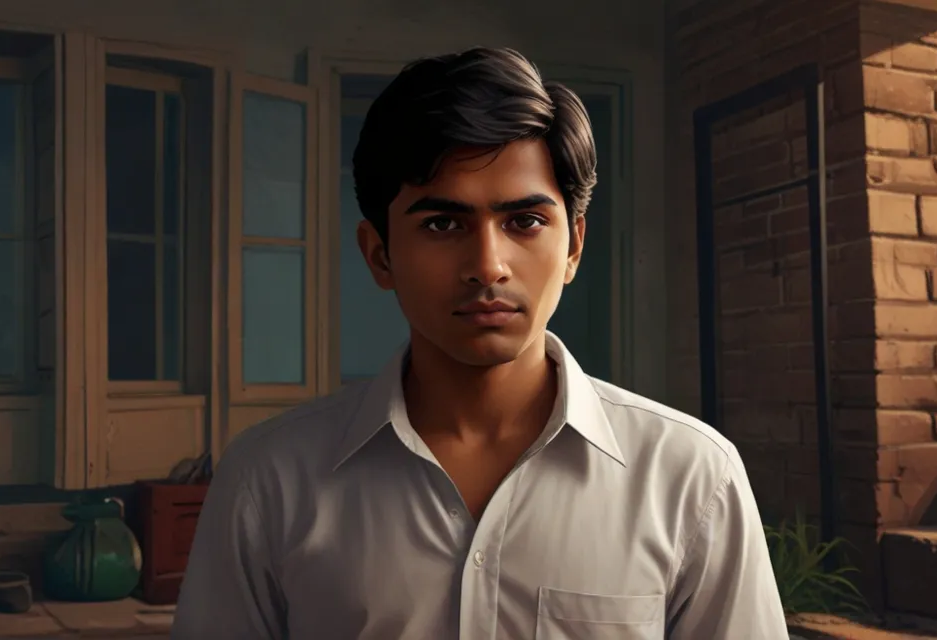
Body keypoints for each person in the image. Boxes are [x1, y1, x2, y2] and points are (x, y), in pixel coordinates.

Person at [172, 47, 788, 639]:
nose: (488, 265)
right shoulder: (269, 480)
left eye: (525, 222)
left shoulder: (691, 479)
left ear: (573, 245)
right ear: (379, 254)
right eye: (443, 223)